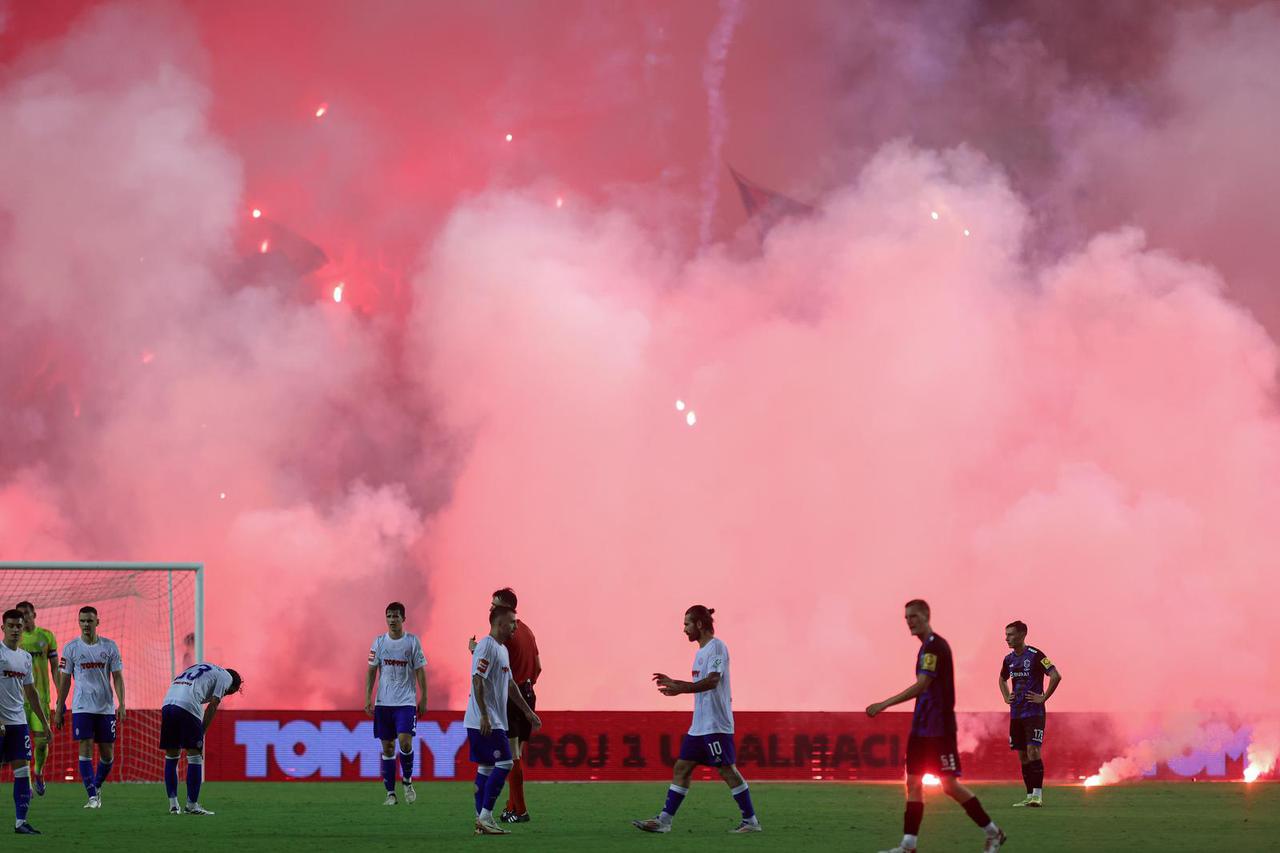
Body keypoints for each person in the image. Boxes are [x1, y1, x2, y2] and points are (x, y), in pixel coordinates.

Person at [866, 600, 1005, 853]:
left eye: (914, 616)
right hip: (920, 727)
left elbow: (922, 685)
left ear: (926, 616)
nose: (909, 621)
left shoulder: (934, 647)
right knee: (914, 783)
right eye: (906, 617)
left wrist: (884, 703)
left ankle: (994, 832)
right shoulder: (925, 648)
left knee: (949, 785)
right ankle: (908, 845)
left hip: (938, 729)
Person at [632, 605, 761, 835]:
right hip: (699, 727)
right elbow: (700, 685)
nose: (684, 630)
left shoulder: (717, 648)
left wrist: (681, 688)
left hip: (715, 725)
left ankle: (751, 821)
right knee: (682, 767)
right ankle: (664, 821)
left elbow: (712, 681)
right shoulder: (700, 652)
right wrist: (678, 684)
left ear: (699, 625)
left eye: (687, 624)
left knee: (726, 770)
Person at [465, 605, 541, 836]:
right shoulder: (487, 647)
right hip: (485, 720)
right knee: (506, 763)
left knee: (486, 767)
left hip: (493, 718)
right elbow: (477, 680)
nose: (515, 626)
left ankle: (481, 821)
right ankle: (486, 815)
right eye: (512, 622)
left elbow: (510, 685)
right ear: (499, 624)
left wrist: (528, 712)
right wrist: (485, 715)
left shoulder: (502, 650)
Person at [54, 606, 126, 809]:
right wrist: (59, 707)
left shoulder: (110, 647)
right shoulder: (71, 648)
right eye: (82, 621)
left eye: (89, 621)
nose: (86, 624)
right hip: (82, 706)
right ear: (79, 622)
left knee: (107, 754)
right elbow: (65, 680)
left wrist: (122, 703)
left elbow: (118, 677)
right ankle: (92, 796)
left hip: (105, 708)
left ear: (97, 622)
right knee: (84, 746)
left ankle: (97, 785)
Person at [364, 601, 427, 806]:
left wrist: (424, 696)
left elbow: (420, 670)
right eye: (389, 616)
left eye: (396, 616)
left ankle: (407, 781)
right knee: (388, 747)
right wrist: (367, 698)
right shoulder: (379, 643)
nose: (392, 620)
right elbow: (372, 671)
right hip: (384, 703)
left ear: (403, 619)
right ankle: (390, 793)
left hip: (406, 702)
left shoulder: (412, 642)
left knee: (405, 742)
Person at [159, 662, 242, 815]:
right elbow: (213, 704)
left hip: (168, 703)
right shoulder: (226, 677)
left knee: (171, 756)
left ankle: (173, 805)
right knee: (195, 755)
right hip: (188, 705)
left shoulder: (204, 668)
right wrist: (201, 734)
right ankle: (192, 805)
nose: (226, 694)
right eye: (230, 692)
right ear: (233, 686)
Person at [1000, 620, 1061, 807]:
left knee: (1033, 750)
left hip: (1034, 713)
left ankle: (1038, 795)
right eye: (1006, 634)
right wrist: (1006, 696)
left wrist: (1043, 698)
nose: (1007, 638)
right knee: (1022, 755)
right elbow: (1002, 679)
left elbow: (1055, 675)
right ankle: (1028, 796)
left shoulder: (1035, 655)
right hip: (1016, 713)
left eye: (1010, 634)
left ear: (1022, 634)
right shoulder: (1008, 659)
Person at [2, 608, 49, 834]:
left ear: (23, 628)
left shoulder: (25, 658)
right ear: (3, 628)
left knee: (23, 771)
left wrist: (45, 723)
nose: (14, 629)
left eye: (18, 626)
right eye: (10, 625)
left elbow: (31, 693)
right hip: (0, 723)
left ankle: (21, 822)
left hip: (18, 723)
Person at [14, 602, 56, 796]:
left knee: (41, 743)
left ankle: (38, 771)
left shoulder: (46, 636)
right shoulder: (15, 640)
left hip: (41, 699)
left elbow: (55, 668)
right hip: (18, 701)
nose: (24, 618)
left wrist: (60, 696)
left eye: (27, 614)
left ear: (34, 614)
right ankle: (28, 784)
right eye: (21, 616)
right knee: (21, 744)